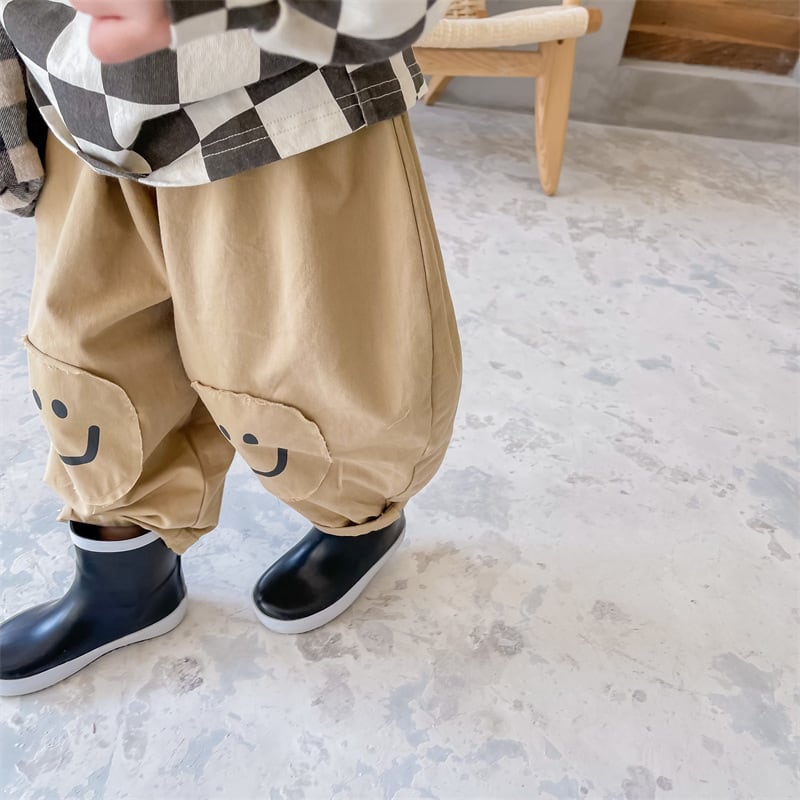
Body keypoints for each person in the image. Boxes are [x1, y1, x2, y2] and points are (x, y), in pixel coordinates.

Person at [0, 0, 461, 697]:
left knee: (321, 360)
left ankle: (359, 523)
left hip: (276, 90)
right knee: (89, 352)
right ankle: (126, 579)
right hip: (76, 90)